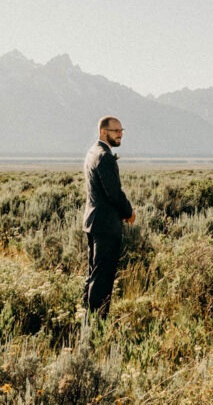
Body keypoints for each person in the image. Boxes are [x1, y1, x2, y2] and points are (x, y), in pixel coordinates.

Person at [82, 115, 135, 318]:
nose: (120, 134)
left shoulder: (92, 152)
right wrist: (128, 213)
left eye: (122, 131)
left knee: (94, 274)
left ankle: (88, 319)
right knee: (103, 278)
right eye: (116, 131)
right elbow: (113, 192)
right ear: (104, 132)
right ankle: (97, 323)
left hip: (94, 222)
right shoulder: (104, 156)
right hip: (105, 225)